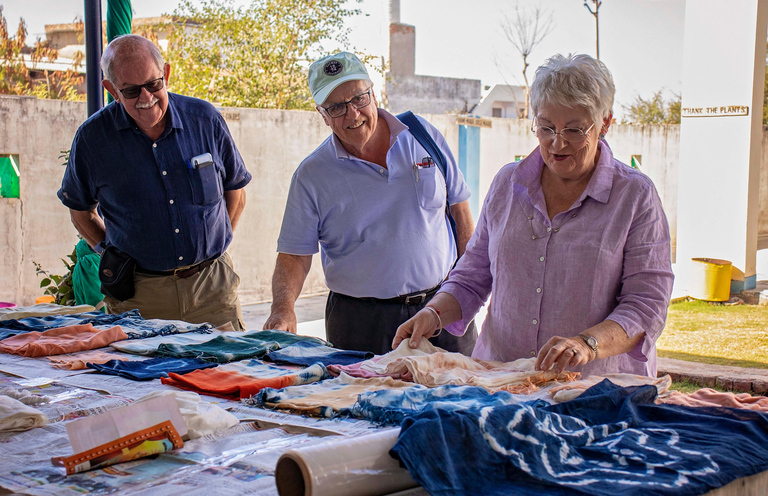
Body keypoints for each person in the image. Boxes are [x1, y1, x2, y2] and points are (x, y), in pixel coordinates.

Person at [394, 54, 674, 377]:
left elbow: (646, 305)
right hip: (500, 382)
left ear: (605, 124)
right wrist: (433, 314)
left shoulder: (636, 197)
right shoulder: (507, 184)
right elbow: (472, 276)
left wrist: (587, 344)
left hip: (593, 391)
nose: (557, 142)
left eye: (574, 130)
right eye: (546, 127)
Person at [264, 51, 477, 355]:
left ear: (373, 94)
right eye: (336, 107)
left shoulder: (423, 136)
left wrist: (467, 291)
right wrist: (282, 308)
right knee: (365, 401)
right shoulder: (312, 175)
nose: (353, 114)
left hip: (442, 307)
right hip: (362, 323)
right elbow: (294, 255)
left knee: (460, 397)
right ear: (322, 115)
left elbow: (460, 209)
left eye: (359, 99)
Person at [58, 35, 251, 329]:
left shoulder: (205, 120)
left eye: (153, 84)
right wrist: (108, 251)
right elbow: (80, 211)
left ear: (167, 75)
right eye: (132, 91)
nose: (146, 98)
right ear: (112, 90)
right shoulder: (93, 139)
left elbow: (235, 191)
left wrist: (213, 248)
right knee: (142, 375)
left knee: (226, 374)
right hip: (139, 299)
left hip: (213, 292)